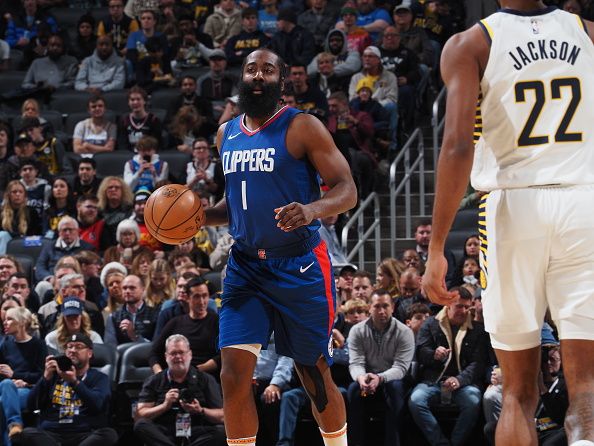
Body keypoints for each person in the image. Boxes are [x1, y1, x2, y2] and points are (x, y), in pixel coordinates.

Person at [424, 2, 594, 446]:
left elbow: (458, 145)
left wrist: (437, 245)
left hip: (512, 206)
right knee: (588, 386)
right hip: (583, 200)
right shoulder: (589, 33)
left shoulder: (471, 44)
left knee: (517, 391)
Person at [203, 48, 356, 446]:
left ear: (281, 83)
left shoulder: (302, 126)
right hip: (246, 267)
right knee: (233, 373)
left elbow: (347, 190)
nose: (257, 76)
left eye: (266, 71)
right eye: (251, 69)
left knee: (312, 370)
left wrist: (310, 210)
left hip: (299, 265)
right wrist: (199, 216)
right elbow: (234, 205)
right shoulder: (226, 134)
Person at [408, 287, 487, 446]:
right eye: (459, 306)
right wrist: (434, 355)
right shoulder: (430, 324)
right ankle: (441, 443)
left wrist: (459, 380)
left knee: (473, 401)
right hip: (433, 381)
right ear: (448, 304)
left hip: (464, 384)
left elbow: (478, 363)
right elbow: (421, 353)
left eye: (467, 307)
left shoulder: (477, 330)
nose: (463, 311)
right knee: (416, 401)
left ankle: (455, 442)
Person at [12, 333, 118, 446]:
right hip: (51, 434)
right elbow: (31, 405)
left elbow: (97, 405)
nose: (72, 350)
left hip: (84, 434)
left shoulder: (99, 378)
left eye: (78, 347)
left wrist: (75, 383)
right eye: (69, 346)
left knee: (109, 434)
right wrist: (45, 378)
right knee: (27, 433)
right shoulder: (52, 377)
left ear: (89, 353)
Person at [347, 289, 414, 446]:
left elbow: (401, 368)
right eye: (377, 306)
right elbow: (356, 363)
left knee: (394, 388)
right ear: (370, 307)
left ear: (392, 307)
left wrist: (380, 378)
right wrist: (361, 378)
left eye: (385, 306)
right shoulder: (357, 330)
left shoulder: (404, 332)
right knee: (353, 390)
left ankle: (393, 442)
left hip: (393, 379)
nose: (382, 311)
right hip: (368, 378)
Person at [134, 334, 226, 446]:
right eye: (173, 353)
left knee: (222, 431)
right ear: (166, 356)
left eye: (182, 352)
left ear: (190, 354)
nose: (178, 356)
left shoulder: (206, 379)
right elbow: (140, 415)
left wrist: (200, 410)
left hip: (195, 430)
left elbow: (222, 416)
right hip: (164, 430)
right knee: (141, 425)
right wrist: (164, 406)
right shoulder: (154, 380)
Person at [0, 307, 46, 442]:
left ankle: (14, 425)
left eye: (9, 319)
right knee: (7, 386)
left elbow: (42, 375)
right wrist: (9, 378)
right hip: (6, 388)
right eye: (5, 319)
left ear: (21, 322)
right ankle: (14, 425)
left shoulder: (38, 345)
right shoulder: (5, 344)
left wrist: (19, 377)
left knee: (2, 402)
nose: (5, 323)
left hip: (29, 389)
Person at [104, 274, 159, 345]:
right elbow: (110, 347)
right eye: (124, 288)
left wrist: (134, 336)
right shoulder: (114, 317)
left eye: (132, 288)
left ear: (143, 289)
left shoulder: (155, 314)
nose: (127, 291)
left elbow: (156, 345)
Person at [35, 217, 94, 283]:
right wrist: (50, 278)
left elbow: (91, 270)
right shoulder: (49, 247)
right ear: (59, 232)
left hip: (78, 282)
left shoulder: (87, 248)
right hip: (53, 282)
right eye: (64, 230)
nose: (67, 233)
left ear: (77, 231)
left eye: (71, 230)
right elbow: (40, 267)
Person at [0, 180, 42, 254]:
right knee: (3, 235)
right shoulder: (1, 212)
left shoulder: (32, 212)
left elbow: (36, 234)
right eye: (14, 192)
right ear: (8, 195)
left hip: (25, 244)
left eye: (20, 192)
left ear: (24, 195)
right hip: (6, 244)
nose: (18, 194)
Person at [117, 86, 163, 152]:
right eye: (132, 100)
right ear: (128, 103)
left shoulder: (153, 120)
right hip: (129, 156)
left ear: (144, 101)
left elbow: (157, 144)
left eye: (138, 99)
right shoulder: (124, 120)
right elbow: (122, 144)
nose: (135, 102)